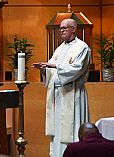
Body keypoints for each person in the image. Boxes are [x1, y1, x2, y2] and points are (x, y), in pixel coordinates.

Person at [32, 18, 91, 157]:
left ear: (74, 29)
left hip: (73, 94)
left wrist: (55, 66)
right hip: (57, 95)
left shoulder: (82, 47)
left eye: (65, 28)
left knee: (72, 130)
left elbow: (77, 69)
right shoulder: (59, 48)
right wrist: (44, 69)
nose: (62, 30)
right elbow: (51, 68)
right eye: (61, 28)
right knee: (58, 131)